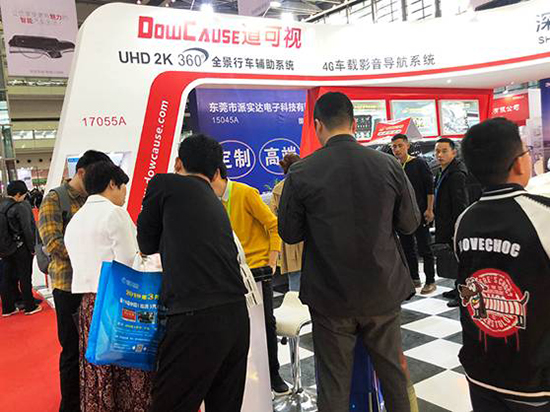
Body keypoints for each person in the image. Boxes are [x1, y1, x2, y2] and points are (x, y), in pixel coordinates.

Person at [278, 92, 420, 412]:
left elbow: (290, 233)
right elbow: (410, 223)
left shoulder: (301, 172)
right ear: (354, 124)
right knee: (393, 375)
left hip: (330, 294)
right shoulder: (388, 164)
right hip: (382, 289)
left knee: (334, 383)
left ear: (317, 125)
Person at [137, 134, 249, 412]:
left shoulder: (164, 184)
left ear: (178, 163)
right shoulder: (214, 201)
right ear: (216, 173)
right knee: (225, 404)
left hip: (194, 315)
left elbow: (146, 243)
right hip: (236, 313)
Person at [457, 118, 550, 411]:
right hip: (535, 379)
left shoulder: (464, 220)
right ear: (519, 163)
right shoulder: (543, 215)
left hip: (482, 370)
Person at [64, 161, 152, 411]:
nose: (125, 195)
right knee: (130, 369)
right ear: (112, 184)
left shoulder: (76, 219)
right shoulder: (114, 213)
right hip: (118, 301)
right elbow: (130, 264)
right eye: (123, 187)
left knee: (98, 369)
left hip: (89, 304)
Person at [38, 150, 112, 412]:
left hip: (95, 286)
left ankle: (93, 399)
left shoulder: (95, 200)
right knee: (71, 349)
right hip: (68, 285)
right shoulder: (55, 199)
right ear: (81, 172)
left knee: (96, 348)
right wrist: (90, 252)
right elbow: (53, 243)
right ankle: (70, 405)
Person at [211, 163, 287, 395]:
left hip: (257, 272)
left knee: (265, 323)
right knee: (235, 327)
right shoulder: (210, 202)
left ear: (216, 174)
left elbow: (273, 225)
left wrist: (271, 260)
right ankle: (245, 377)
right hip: (230, 273)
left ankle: (273, 374)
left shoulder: (245, 193)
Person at [391, 134, 436, 294]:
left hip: (420, 213)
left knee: (425, 247)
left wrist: (429, 209)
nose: (397, 149)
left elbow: (429, 188)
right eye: (394, 147)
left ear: (407, 146)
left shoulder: (419, 163)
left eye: (400, 145)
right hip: (403, 215)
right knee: (407, 248)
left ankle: (430, 280)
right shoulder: (394, 166)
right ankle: (414, 278)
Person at [433, 138, 469, 307]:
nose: (439, 155)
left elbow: (460, 204)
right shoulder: (443, 171)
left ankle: (463, 295)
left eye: (444, 151)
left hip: (454, 225)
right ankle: (457, 288)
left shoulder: (457, 174)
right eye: (437, 151)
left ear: (454, 152)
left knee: (461, 260)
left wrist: (458, 228)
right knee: (455, 260)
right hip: (445, 222)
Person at [0, 180, 42, 316]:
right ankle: (30, 306)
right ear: (18, 194)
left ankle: (8, 308)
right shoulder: (20, 207)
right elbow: (27, 229)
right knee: (25, 276)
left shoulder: (2, 206)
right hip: (20, 247)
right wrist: (32, 247)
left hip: (6, 248)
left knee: (6, 278)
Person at [270, 153, 303, 292]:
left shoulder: (278, 189)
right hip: (308, 238)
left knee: (294, 281)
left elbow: (272, 217)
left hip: (289, 239)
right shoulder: (307, 184)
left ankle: (295, 304)